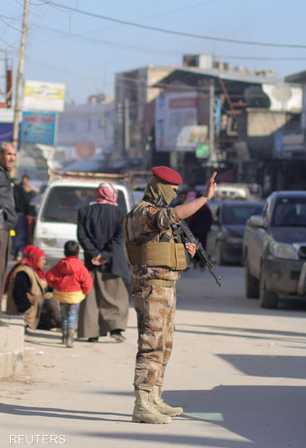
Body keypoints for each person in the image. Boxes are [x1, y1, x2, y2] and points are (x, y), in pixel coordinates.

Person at [125, 166, 217, 424]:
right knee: (151, 344)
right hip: (151, 287)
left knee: (164, 345)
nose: (174, 195)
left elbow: (167, 245)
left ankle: (155, 396)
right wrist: (204, 199)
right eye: (171, 189)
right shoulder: (143, 213)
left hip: (165, 287)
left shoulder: (158, 215)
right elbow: (171, 216)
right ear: (157, 186)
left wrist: (187, 250)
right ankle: (142, 402)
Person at [77, 183, 130, 343]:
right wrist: (105, 255)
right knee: (116, 296)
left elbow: (81, 235)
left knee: (91, 298)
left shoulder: (85, 211)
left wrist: (94, 254)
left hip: (91, 261)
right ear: (112, 194)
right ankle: (115, 329)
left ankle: (92, 333)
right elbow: (119, 238)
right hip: (113, 261)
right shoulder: (120, 213)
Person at [46, 241, 93, 348]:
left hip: (61, 295)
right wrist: (86, 291)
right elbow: (87, 281)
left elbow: (49, 276)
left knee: (64, 316)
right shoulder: (80, 266)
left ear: (65, 252)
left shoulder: (60, 265)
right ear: (77, 253)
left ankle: (64, 336)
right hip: (75, 296)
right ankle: (70, 337)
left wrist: (56, 285)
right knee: (72, 315)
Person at [4, 245, 52, 332]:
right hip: (23, 317)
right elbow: (19, 296)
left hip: (31, 316)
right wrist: (27, 311)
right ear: (35, 258)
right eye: (42, 259)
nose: (44, 262)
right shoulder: (23, 272)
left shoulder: (33, 270)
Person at [0, 143, 17, 298]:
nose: (12, 158)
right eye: (8, 154)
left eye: (14, 155)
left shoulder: (5, 174)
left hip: (5, 227)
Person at [185, 190, 213, 267]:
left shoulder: (197, 208)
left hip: (197, 231)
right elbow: (210, 220)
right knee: (200, 246)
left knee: (196, 246)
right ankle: (200, 261)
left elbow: (191, 219)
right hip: (201, 231)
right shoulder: (205, 208)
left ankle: (198, 261)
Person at [13, 175, 36, 257]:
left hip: (17, 214)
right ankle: (18, 251)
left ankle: (16, 251)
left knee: (15, 234)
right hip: (20, 215)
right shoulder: (21, 190)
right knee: (20, 234)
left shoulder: (16, 189)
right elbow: (27, 203)